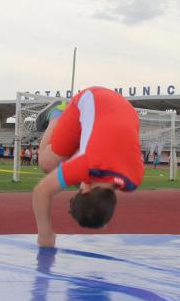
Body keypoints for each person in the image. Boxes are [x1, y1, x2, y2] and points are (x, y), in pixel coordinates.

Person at [32, 87, 144, 248]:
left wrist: (101, 215)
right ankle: (57, 112)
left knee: (75, 166)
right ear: (84, 191)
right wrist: (45, 235)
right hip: (91, 99)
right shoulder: (88, 164)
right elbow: (41, 192)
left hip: (127, 109)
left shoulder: (133, 178)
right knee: (47, 163)